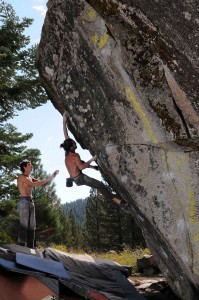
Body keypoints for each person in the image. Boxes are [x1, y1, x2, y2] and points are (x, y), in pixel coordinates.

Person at [60, 111, 128, 207]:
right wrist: (93, 158)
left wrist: (64, 121)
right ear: (71, 147)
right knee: (100, 186)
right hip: (80, 178)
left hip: (75, 177)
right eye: (74, 143)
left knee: (80, 163)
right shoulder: (75, 156)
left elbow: (66, 134)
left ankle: (93, 168)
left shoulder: (67, 152)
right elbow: (82, 167)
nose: (75, 143)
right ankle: (120, 202)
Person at [17, 159, 59, 248]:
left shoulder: (30, 177)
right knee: (24, 225)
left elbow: (41, 183)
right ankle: (21, 246)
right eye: (29, 164)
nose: (31, 166)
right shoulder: (21, 177)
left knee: (32, 226)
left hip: (31, 202)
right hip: (24, 202)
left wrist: (52, 177)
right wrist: (48, 178)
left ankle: (30, 247)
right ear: (24, 167)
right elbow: (33, 184)